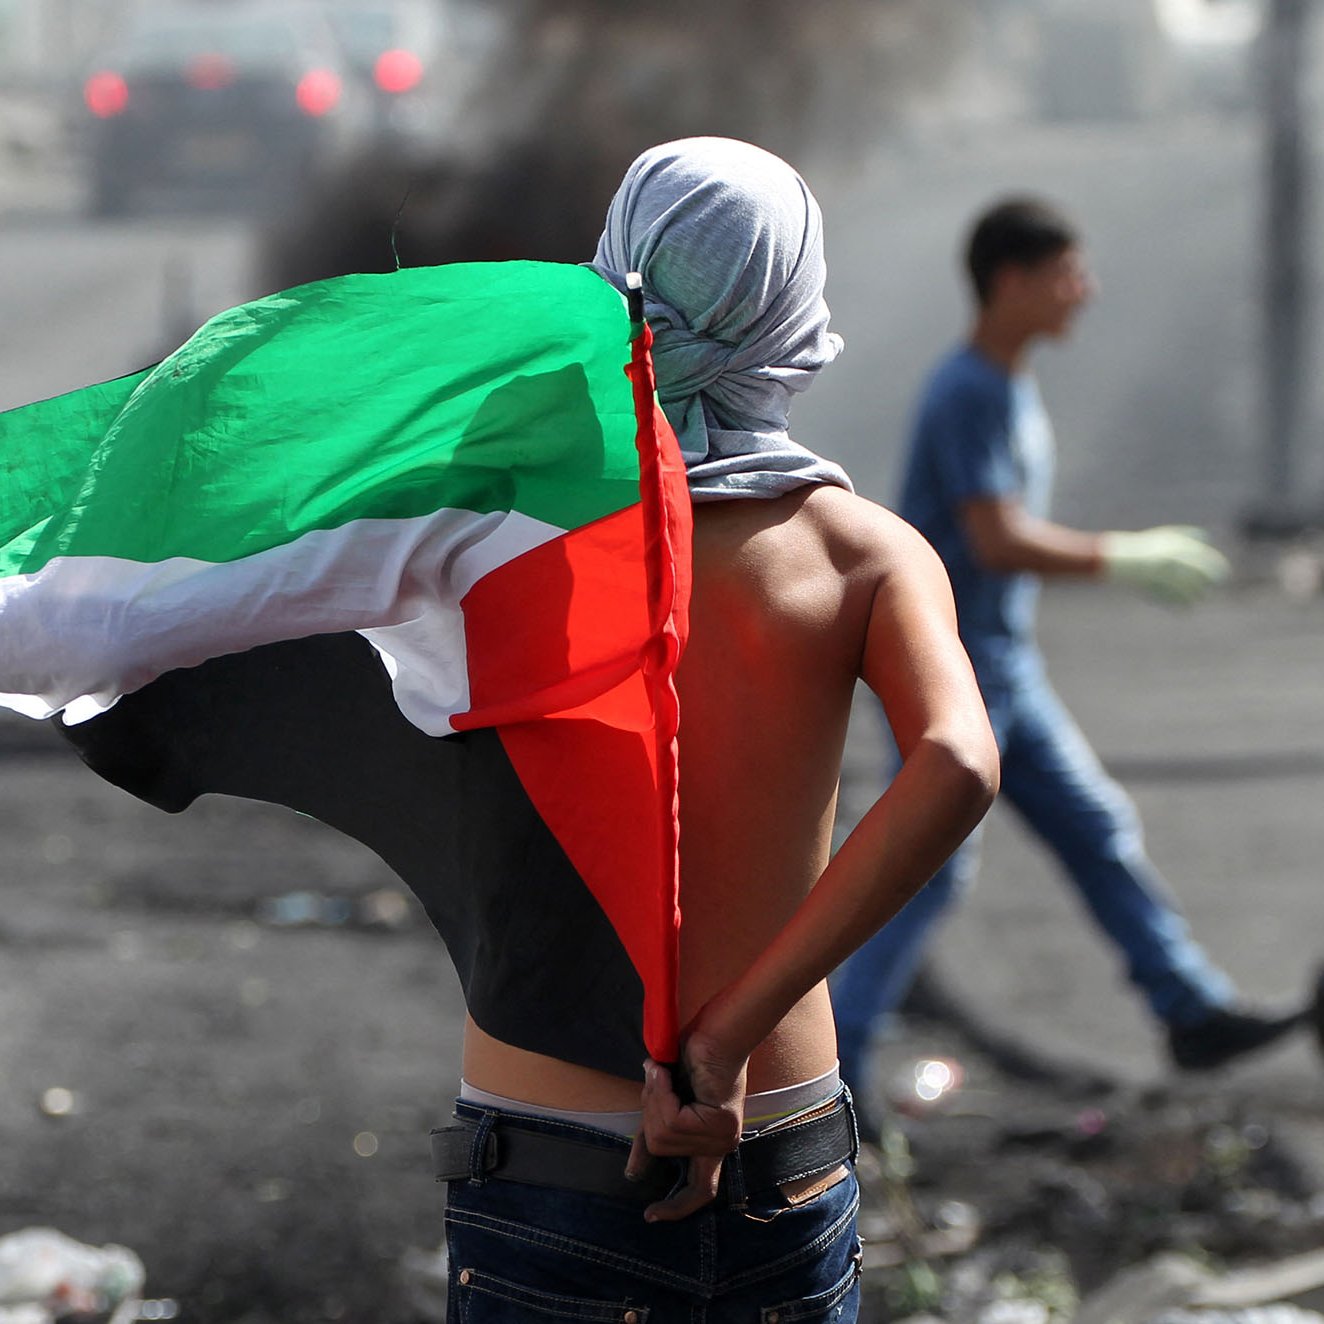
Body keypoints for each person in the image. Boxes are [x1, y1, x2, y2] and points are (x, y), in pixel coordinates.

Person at [434, 138, 1000, 1321]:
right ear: (792, 313)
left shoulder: (499, 531)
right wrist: (724, 1038)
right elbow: (955, 759)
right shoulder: (860, 551)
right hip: (776, 1156)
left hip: (546, 1157)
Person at [832, 196, 1308, 1127]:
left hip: (1002, 664)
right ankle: (836, 1064)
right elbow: (994, 537)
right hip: (949, 669)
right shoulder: (967, 390)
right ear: (1012, 282)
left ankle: (1188, 1008)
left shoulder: (1006, 383)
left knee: (1095, 824)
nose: (1083, 293)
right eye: (1067, 274)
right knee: (933, 869)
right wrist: (1124, 556)